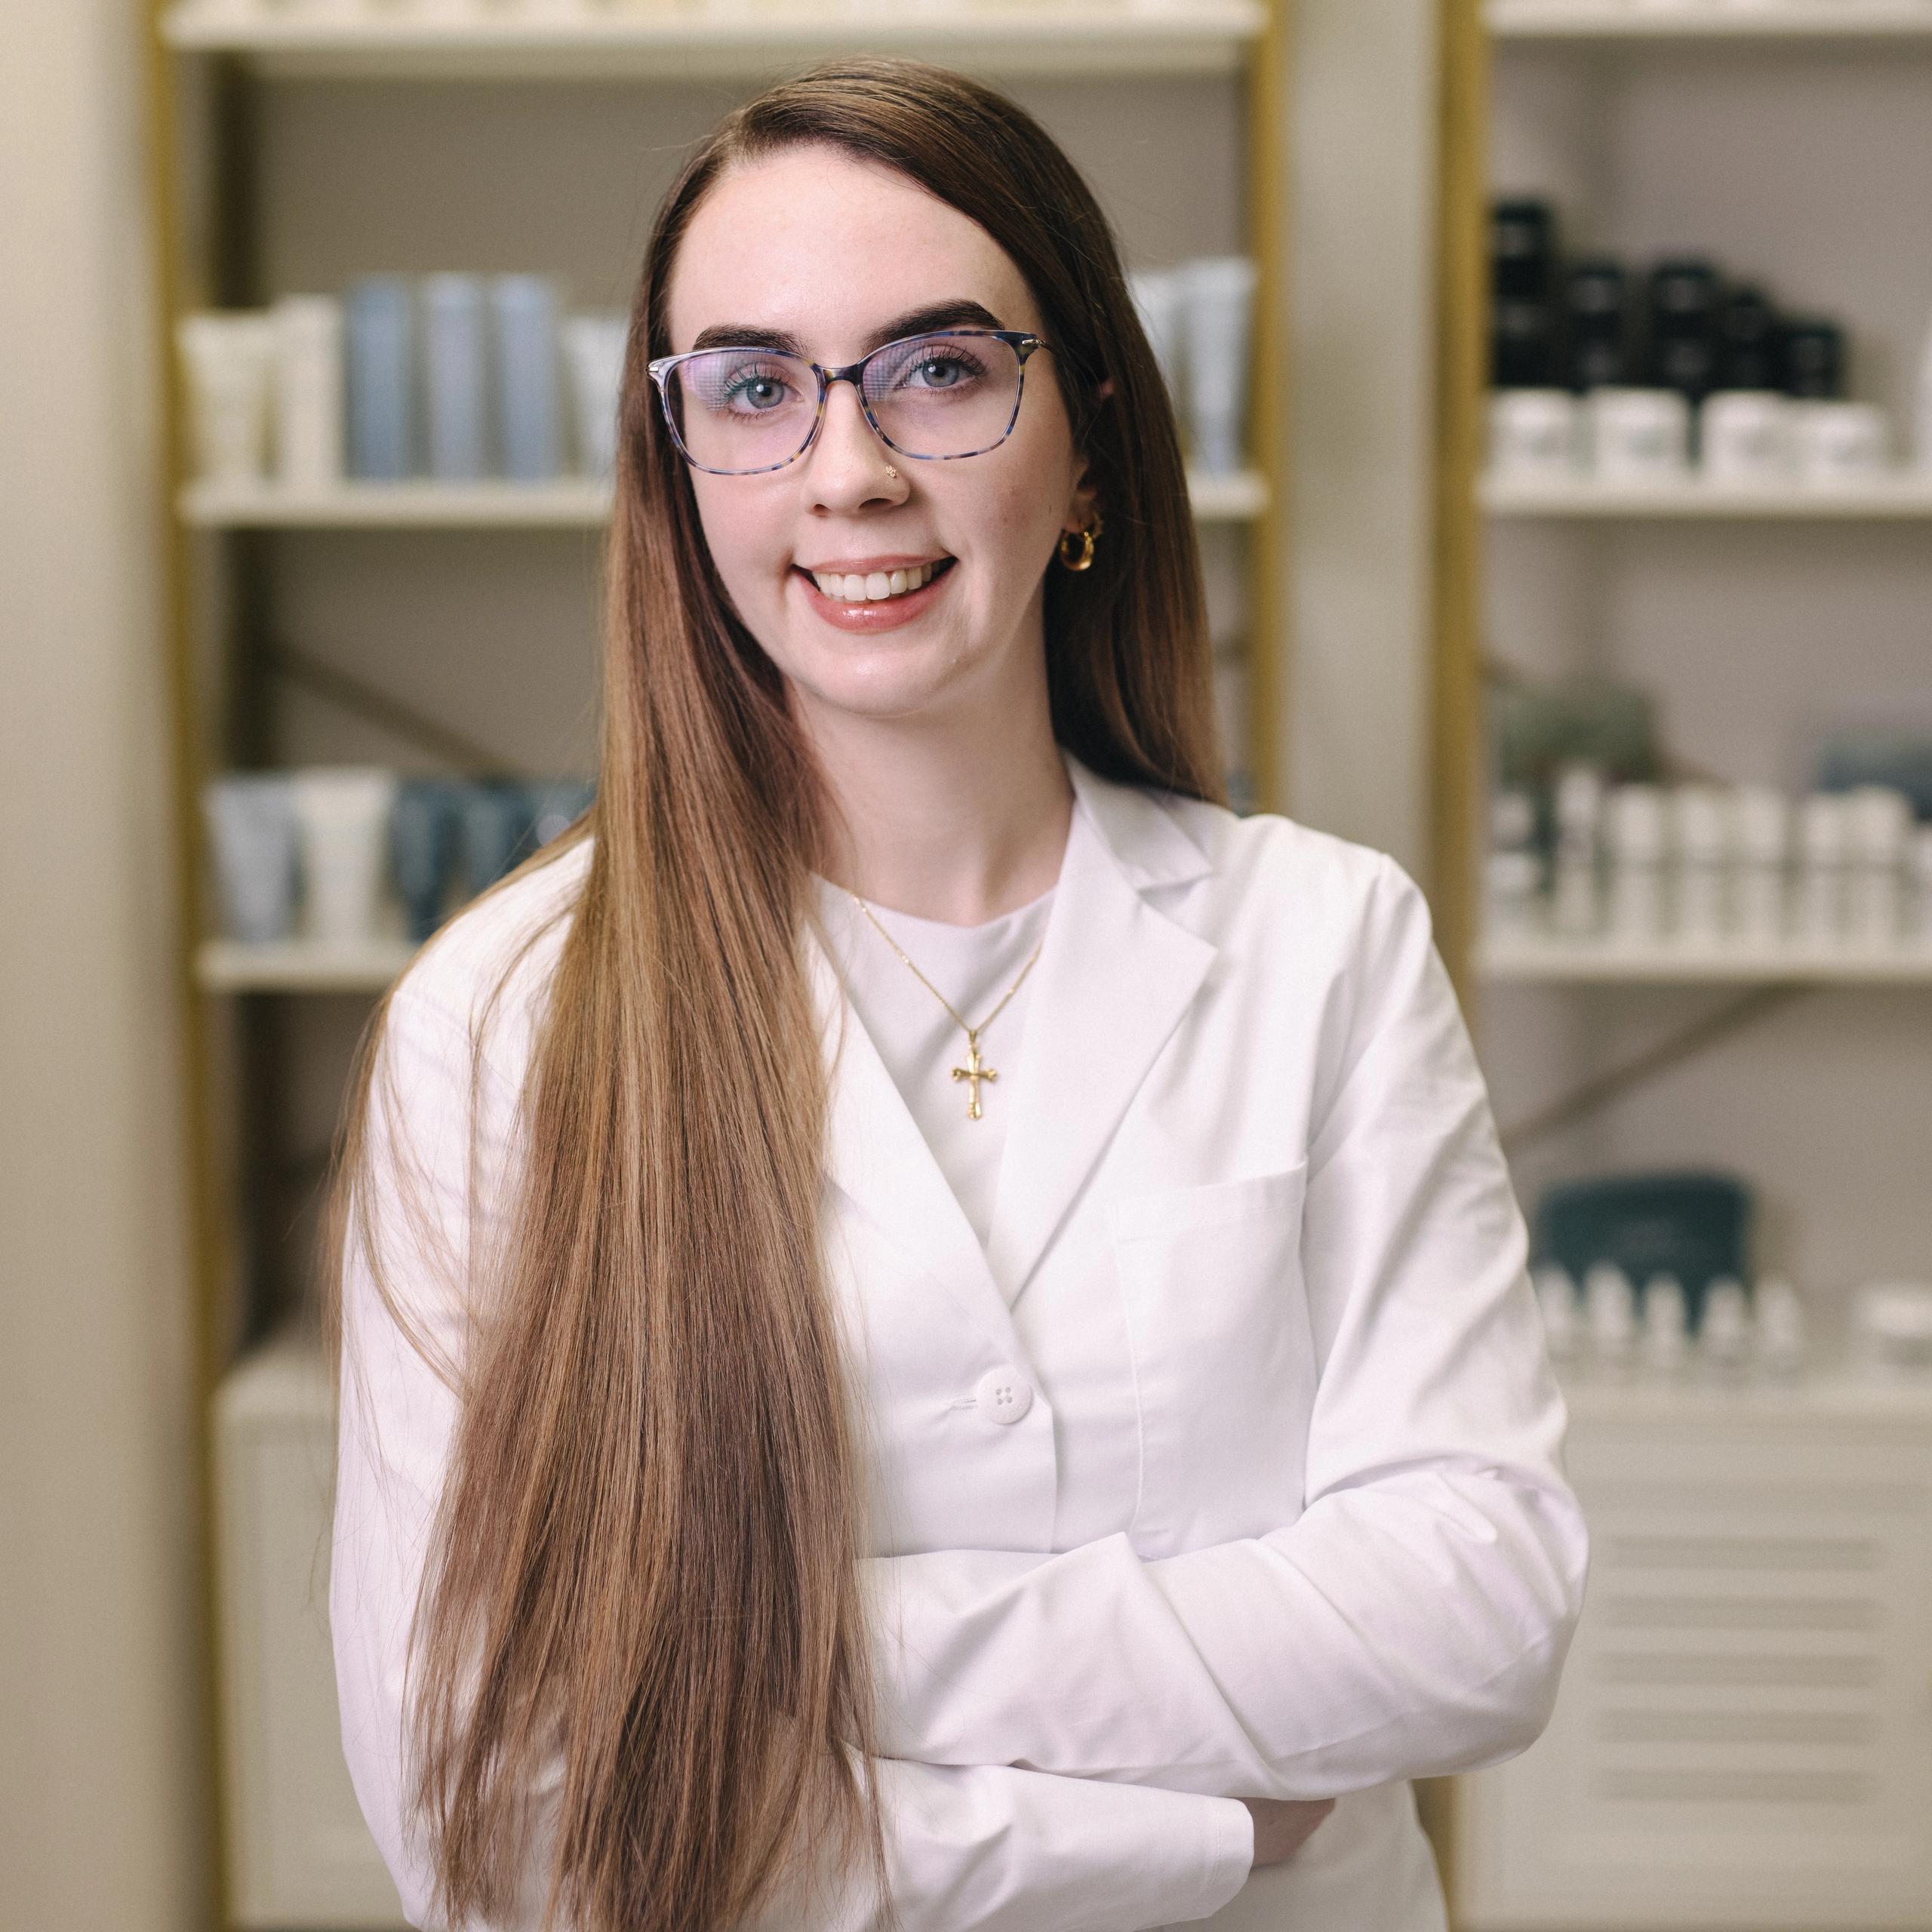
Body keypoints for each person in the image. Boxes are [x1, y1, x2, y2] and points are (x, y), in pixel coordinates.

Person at [322, 55, 1588, 1932]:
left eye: (935, 365)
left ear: (1079, 425)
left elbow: (1479, 1608)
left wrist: (791, 1644)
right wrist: (1200, 1830)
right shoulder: (505, 1018)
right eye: (751, 386)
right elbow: (494, 1816)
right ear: (676, 473)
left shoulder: (1320, 940)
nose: (848, 468)